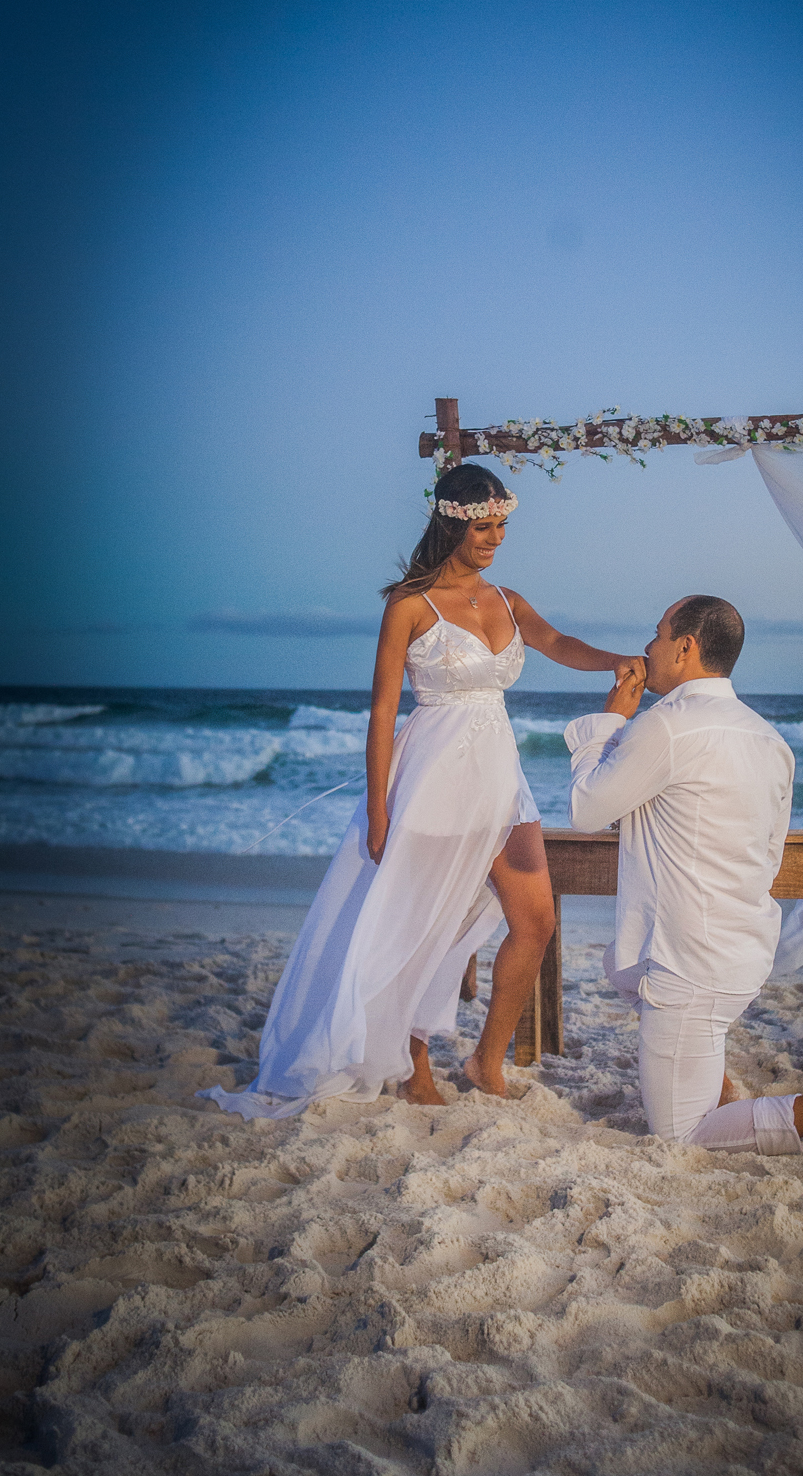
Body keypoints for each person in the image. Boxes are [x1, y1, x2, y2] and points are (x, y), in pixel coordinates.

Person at [200, 463, 644, 1120]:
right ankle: (415, 1065)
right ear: (452, 522)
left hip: (501, 775)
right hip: (433, 777)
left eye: (502, 526)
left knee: (536, 920)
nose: (496, 538)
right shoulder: (410, 604)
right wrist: (378, 807)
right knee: (423, 926)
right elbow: (382, 712)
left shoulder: (509, 600)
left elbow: (556, 643)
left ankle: (485, 1059)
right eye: (484, 527)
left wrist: (612, 660)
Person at [565, 595, 803, 1162]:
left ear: (685, 647)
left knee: (681, 1135)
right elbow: (769, 854)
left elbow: (586, 809)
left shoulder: (666, 728)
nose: (646, 648)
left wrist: (610, 723)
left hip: (689, 963)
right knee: (627, 972)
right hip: (743, 951)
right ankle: (713, 1080)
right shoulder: (769, 739)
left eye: (656, 635)